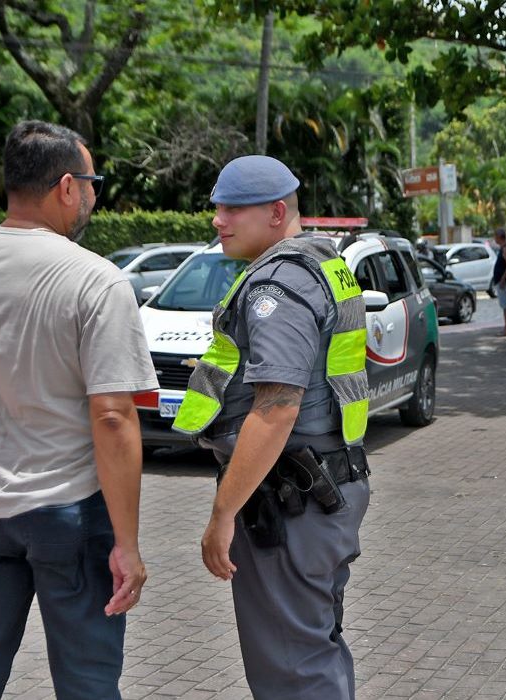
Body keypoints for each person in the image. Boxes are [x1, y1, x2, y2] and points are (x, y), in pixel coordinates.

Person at [0, 120, 155, 699]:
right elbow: (113, 416)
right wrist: (128, 543)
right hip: (68, 509)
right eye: (91, 183)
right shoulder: (96, 281)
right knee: (87, 682)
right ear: (67, 186)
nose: (94, 196)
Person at [173, 155, 372, 700]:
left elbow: (277, 406)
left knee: (293, 672)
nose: (218, 219)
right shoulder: (325, 265)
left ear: (277, 211)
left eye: (233, 207)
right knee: (314, 654)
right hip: (325, 489)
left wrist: (222, 514)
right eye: (217, 206)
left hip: (291, 505)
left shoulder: (277, 286)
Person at [491, 227, 506, 336]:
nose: (494, 238)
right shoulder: (503, 248)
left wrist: (503, 279)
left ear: (499, 237)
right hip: (503, 281)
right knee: (505, 305)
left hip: (504, 282)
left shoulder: (505, 249)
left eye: (495, 236)